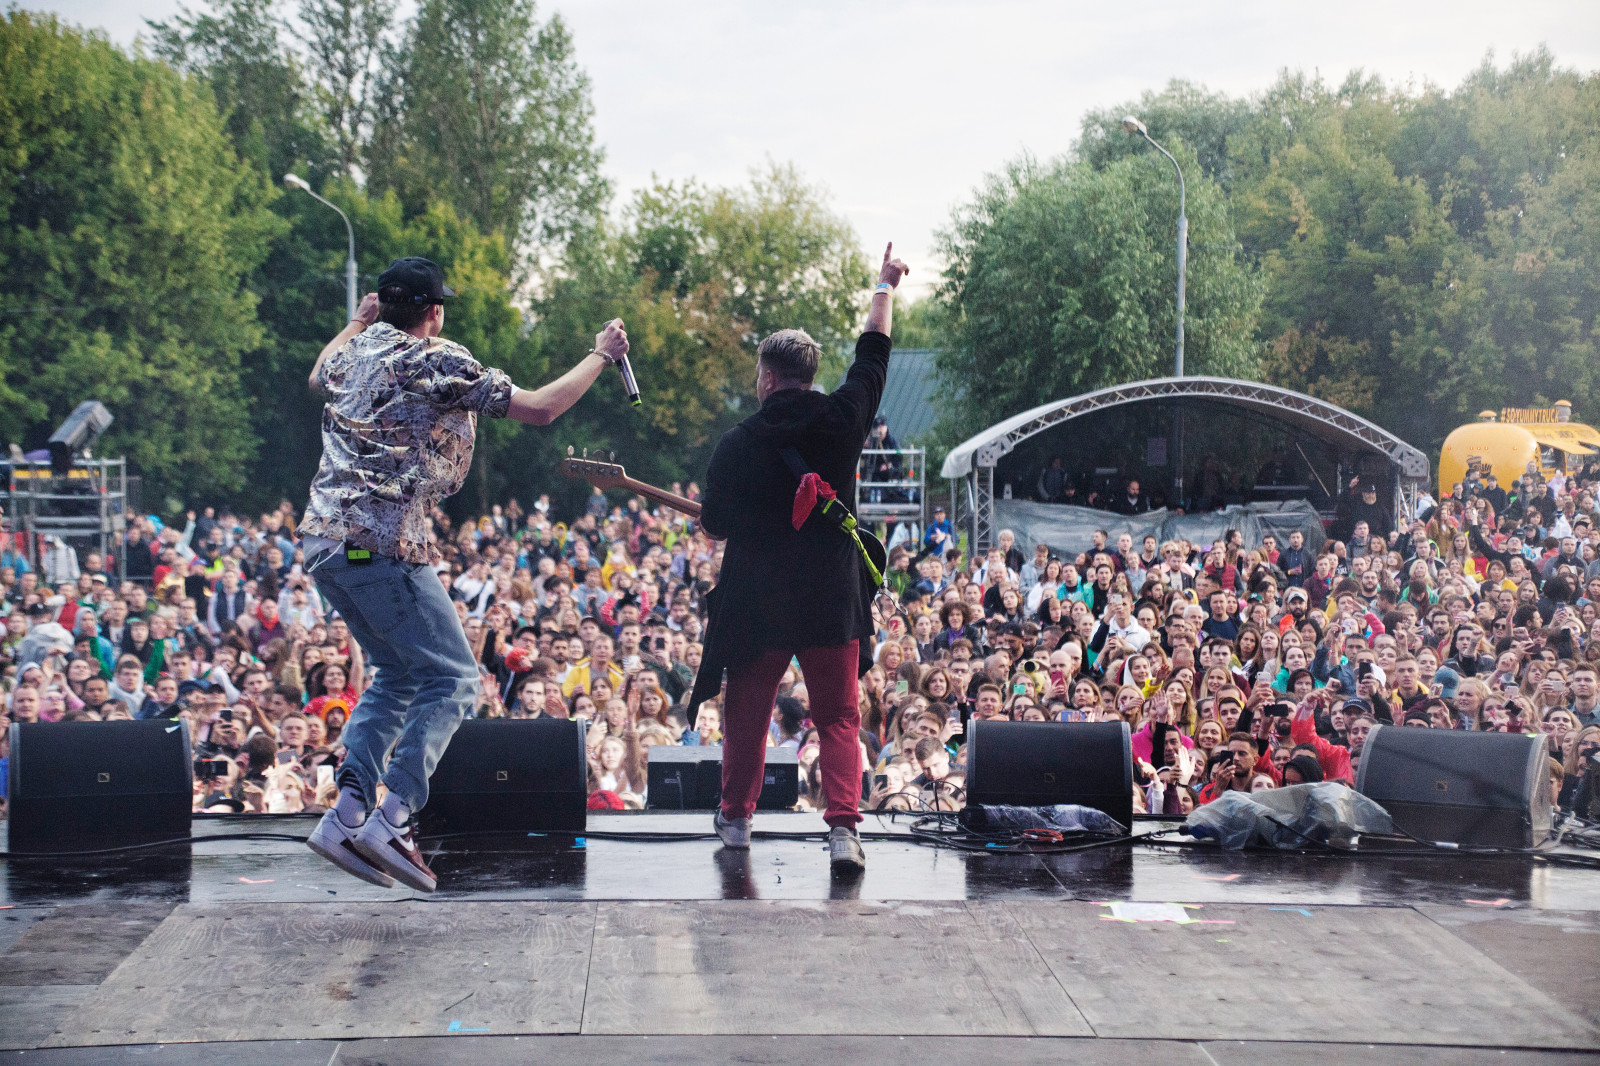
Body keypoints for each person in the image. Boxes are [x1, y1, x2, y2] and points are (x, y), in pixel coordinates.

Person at [299, 257, 631, 891]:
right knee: (454, 679)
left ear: (382, 307)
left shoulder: (353, 351)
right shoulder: (436, 359)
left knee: (398, 673)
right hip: (381, 545)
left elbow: (318, 374)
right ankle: (392, 818)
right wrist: (600, 354)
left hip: (327, 546)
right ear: (434, 312)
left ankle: (345, 816)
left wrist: (358, 321)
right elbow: (539, 409)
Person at [691, 242, 910, 878]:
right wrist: (884, 286)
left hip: (756, 602)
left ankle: (736, 821)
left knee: (747, 715)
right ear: (811, 375)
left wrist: (720, 517)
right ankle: (843, 831)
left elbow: (715, 524)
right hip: (829, 598)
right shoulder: (843, 418)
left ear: (766, 377)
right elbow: (874, 353)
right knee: (839, 717)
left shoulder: (737, 443)